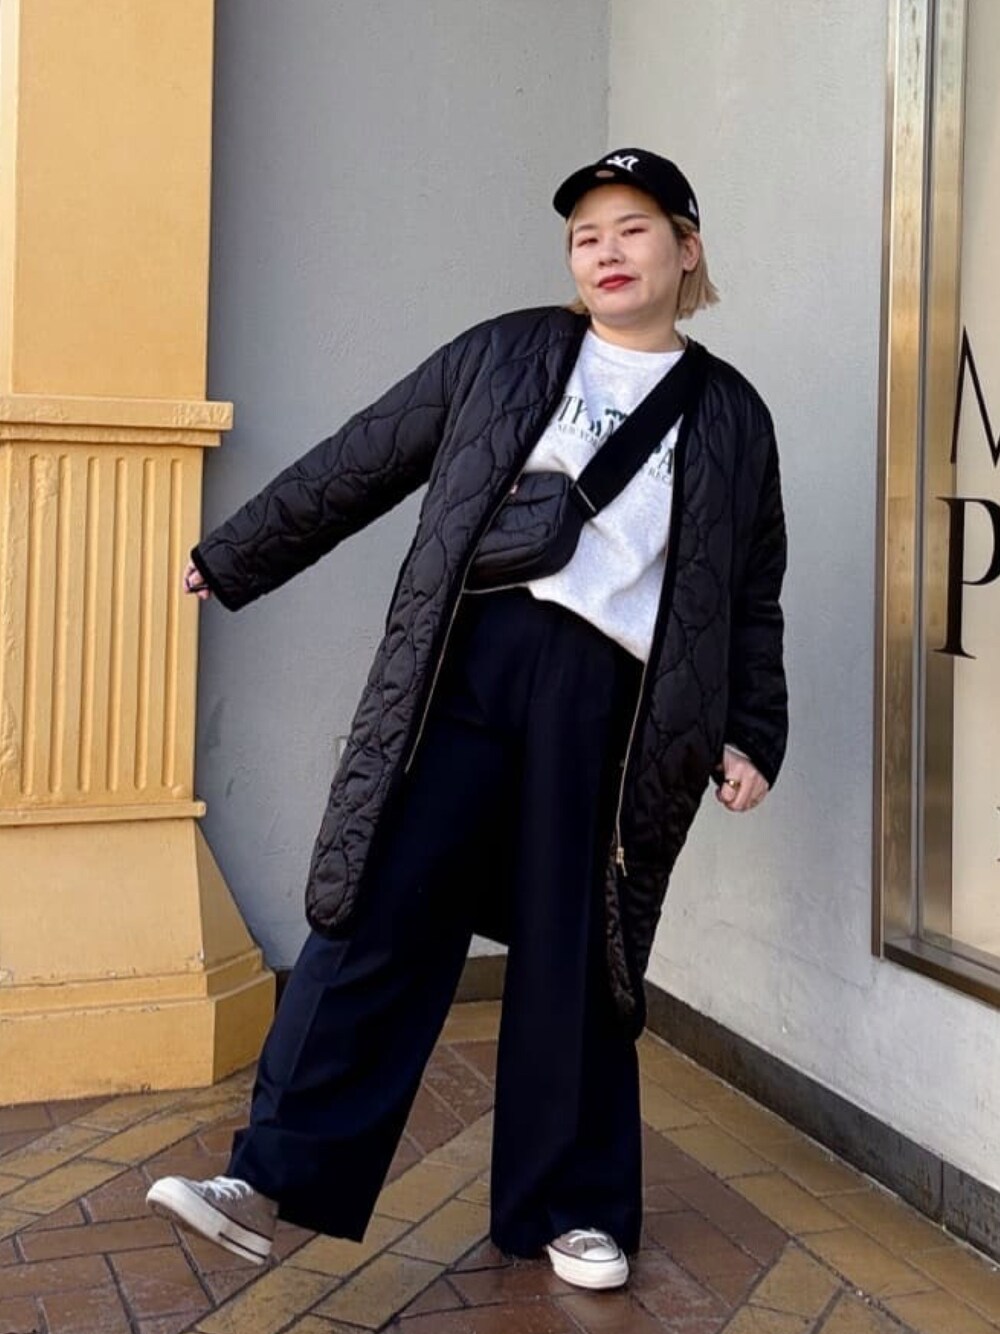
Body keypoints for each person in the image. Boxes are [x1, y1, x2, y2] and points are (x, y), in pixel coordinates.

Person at [146, 147, 787, 1292]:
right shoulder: (506, 350)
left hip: (613, 701)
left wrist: (751, 730)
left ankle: (574, 1205)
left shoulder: (731, 412)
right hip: (465, 664)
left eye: (632, 228)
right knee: (376, 908)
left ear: (687, 248)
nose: (605, 250)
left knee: (576, 946)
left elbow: (750, 592)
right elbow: (367, 453)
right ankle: (271, 1174)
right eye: (585, 234)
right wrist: (238, 552)